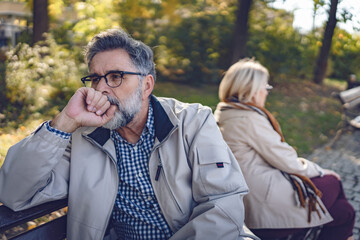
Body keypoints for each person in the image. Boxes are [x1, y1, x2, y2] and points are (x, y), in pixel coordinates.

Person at [0, 29, 252, 240]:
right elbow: (14, 193)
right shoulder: (83, 137)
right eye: (95, 79)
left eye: (115, 77)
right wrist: (65, 121)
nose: (101, 89)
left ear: (146, 86)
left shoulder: (193, 121)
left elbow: (223, 204)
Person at [214, 58, 356, 240]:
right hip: (262, 206)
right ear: (252, 89)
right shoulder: (248, 119)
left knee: (345, 212)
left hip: (248, 196)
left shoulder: (226, 112)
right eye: (265, 87)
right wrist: (320, 170)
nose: (267, 92)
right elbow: (288, 161)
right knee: (333, 182)